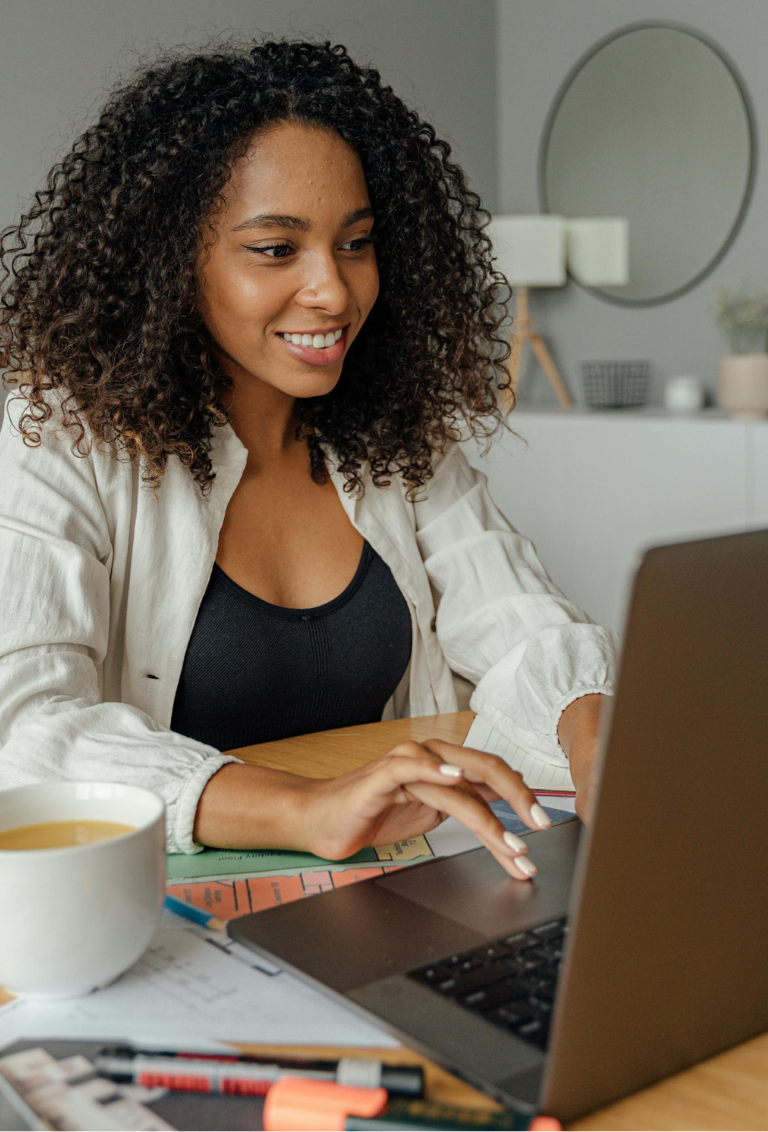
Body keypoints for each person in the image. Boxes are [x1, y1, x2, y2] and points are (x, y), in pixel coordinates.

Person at [0, 40, 618, 879]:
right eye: (276, 249)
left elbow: (520, 625)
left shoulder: (398, 439)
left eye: (356, 243)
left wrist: (600, 736)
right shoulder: (61, 439)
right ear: (173, 262)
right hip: (147, 915)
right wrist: (306, 808)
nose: (333, 290)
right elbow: (25, 728)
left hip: (385, 890)